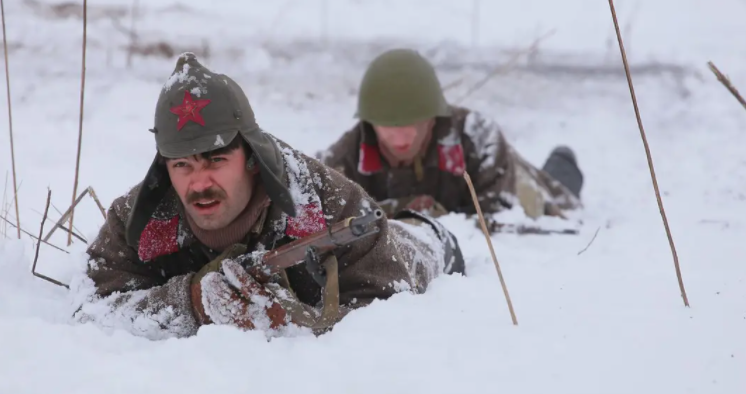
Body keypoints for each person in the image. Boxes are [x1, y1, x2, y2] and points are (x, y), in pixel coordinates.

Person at [73, 52, 464, 340]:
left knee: (421, 238)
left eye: (216, 159)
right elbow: (93, 309)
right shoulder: (137, 219)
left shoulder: (327, 202)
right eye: (182, 165)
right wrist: (192, 302)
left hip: (419, 246)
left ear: (252, 158)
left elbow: (392, 313)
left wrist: (292, 323)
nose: (199, 182)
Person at [317, 48, 584, 221]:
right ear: (370, 123)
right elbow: (306, 198)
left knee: (550, 202)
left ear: (434, 119)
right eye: (388, 127)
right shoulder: (345, 158)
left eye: (413, 125)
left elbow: (501, 223)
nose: (400, 139)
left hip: (511, 178)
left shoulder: (478, 138)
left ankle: (563, 162)